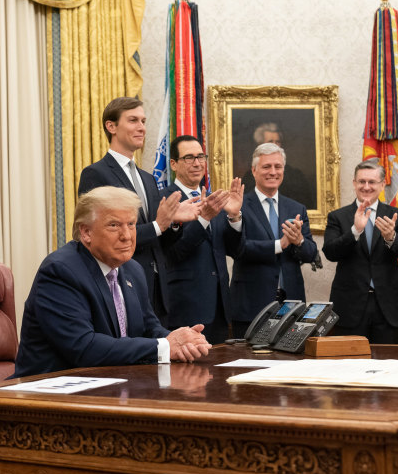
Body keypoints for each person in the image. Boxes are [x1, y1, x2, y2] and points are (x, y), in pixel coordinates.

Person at [14, 186, 210, 378]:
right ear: (86, 233)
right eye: (114, 225)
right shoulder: (61, 271)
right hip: (51, 389)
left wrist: (183, 341)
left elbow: (149, 328)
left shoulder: (133, 270)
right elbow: (83, 347)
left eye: (131, 224)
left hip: (114, 383)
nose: (127, 236)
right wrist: (166, 346)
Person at [77, 97, 199, 321]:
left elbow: (160, 242)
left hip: (157, 292)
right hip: (119, 286)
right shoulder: (95, 174)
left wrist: (173, 222)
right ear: (111, 126)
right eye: (133, 120)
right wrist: (158, 225)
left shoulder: (148, 179)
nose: (142, 127)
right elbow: (102, 237)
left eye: (143, 121)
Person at [160, 135, 243, 344]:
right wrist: (204, 219)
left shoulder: (214, 199)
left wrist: (234, 216)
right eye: (189, 158)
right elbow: (172, 253)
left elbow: (235, 251)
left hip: (220, 308)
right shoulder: (165, 199)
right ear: (173, 164)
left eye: (200, 157)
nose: (197, 163)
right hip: (185, 307)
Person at [322, 160, 398, 344]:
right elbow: (330, 252)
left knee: (389, 360)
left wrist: (391, 237)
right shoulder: (337, 217)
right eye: (361, 181)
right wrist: (355, 231)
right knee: (351, 360)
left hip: (388, 307)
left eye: (372, 182)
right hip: (349, 307)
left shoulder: (397, 216)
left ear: (382, 185)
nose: (366, 187)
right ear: (354, 183)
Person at [230, 142, 317, 337]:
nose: (273, 172)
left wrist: (299, 241)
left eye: (278, 166)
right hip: (251, 305)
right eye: (266, 166)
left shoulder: (296, 208)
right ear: (254, 170)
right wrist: (280, 244)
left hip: (291, 306)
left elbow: (311, 254)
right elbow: (238, 248)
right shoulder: (239, 206)